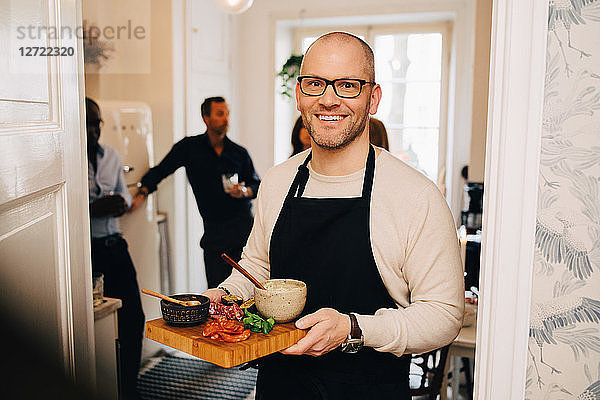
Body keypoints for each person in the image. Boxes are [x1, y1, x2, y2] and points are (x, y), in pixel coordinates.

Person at [204, 32, 464, 399]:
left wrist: (354, 329)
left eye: (347, 85)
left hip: (369, 388)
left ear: (373, 99)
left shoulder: (415, 195)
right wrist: (227, 295)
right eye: (315, 84)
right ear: (299, 95)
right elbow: (258, 267)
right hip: (280, 387)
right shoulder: (278, 181)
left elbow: (444, 315)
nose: (329, 99)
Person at [132, 97, 260, 288]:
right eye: (220, 114)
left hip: (244, 232)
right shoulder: (188, 148)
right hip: (214, 234)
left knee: (248, 290)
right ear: (205, 118)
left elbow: (256, 184)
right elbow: (160, 170)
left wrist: (244, 191)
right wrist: (142, 192)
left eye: (227, 113)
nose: (226, 119)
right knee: (218, 292)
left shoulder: (239, 152)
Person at [86, 97, 145, 400]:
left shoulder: (110, 155)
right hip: (87, 254)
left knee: (133, 317)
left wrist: (106, 205)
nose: (92, 128)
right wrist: (96, 206)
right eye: (86, 122)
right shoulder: (67, 161)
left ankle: (130, 387)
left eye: (96, 122)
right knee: (95, 323)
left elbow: (122, 202)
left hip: (116, 248)